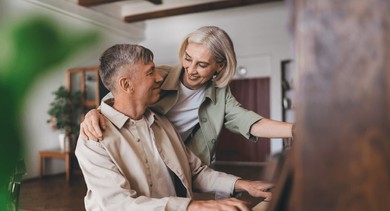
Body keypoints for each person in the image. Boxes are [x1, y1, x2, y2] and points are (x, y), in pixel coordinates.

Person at [75, 44, 273, 211]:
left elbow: (196, 172)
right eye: (150, 72)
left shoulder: (162, 122)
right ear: (126, 84)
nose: (160, 78)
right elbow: (123, 208)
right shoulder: (94, 139)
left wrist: (244, 185)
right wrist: (197, 208)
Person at [80, 26, 294, 167]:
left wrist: (296, 130)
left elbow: (250, 122)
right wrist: (93, 113)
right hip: (145, 160)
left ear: (219, 67)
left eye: (202, 65)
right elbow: (116, 96)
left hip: (184, 165)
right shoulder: (158, 76)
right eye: (188, 59)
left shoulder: (220, 95)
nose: (191, 70)